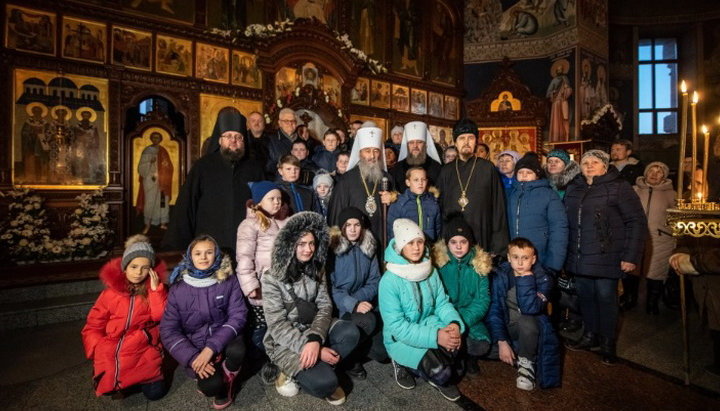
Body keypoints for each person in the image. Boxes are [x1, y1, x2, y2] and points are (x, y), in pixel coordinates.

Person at [262, 212, 360, 405]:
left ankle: (318, 363)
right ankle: (287, 370)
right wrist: (307, 346)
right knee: (327, 384)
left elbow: (325, 306)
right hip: (285, 340)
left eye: (312, 243)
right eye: (302, 244)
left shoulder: (316, 268)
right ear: (290, 245)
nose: (308, 249)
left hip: (314, 328)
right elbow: (277, 325)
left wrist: (315, 340)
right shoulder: (271, 278)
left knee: (350, 332)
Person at [564, 150, 647, 364]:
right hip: (580, 255)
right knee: (586, 298)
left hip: (607, 254)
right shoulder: (574, 188)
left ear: (605, 166)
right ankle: (590, 335)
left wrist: (631, 256)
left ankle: (608, 343)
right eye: (585, 162)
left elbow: (636, 222)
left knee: (606, 298)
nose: (589, 165)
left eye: (595, 162)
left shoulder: (619, 187)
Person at [379, 219, 465, 402]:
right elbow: (398, 326)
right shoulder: (389, 280)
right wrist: (436, 337)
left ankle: (430, 369)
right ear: (401, 247)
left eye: (419, 242)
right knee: (442, 372)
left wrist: (453, 324)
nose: (417, 248)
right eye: (410, 243)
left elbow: (442, 303)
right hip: (400, 337)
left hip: (428, 324)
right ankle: (401, 362)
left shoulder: (430, 270)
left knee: (458, 361)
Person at [161, 235, 247, 409]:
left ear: (216, 255)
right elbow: (168, 330)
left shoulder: (227, 280)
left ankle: (229, 376)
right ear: (189, 256)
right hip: (196, 348)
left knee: (238, 350)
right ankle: (217, 380)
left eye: (209, 252)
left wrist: (212, 347)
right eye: (198, 253)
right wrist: (192, 357)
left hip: (222, 340)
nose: (203, 257)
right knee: (211, 386)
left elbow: (238, 315)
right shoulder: (178, 289)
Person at [163, 108, 263, 253]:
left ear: (244, 141)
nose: (233, 141)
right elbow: (186, 205)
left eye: (238, 137)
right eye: (228, 136)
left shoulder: (255, 168)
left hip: (246, 245)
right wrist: (176, 244)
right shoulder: (203, 166)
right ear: (220, 140)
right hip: (209, 244)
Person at [82, 235, 168, 400]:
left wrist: (157, 291)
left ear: (151, 270)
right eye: (134, 266)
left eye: (145, 268)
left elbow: (160, 316)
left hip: (143, 347)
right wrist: (97, 348)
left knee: (156, 394)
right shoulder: (110, 294)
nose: (138, 272)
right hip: (114, 348)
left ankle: (134, 382)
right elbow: (94, 324)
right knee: (107, 388)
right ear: (125, 267)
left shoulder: (153, 290)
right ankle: (122, 381)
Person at [487, 238, 561, 391]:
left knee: (527, 321)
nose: (520, 263)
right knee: (480, 347)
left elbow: (530, 308)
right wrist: (502, 341)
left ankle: (526, 365)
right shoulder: (501, 275)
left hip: (529, 330)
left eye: (525, 258)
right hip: (509, 328)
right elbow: (495, 310)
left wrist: (525, 278)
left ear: (533, 259)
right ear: (508, 257)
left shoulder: (543, 278)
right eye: (515, 257)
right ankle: (517, 352)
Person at [235, 181, 290, 381]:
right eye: (271, 199)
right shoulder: (249, 224)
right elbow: (244, 258)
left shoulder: (284, 221)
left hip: (282, 287)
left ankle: (277, 358)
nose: (276, 202)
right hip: (262, 287)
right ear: (259, 202)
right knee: (261, 326)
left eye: (279, 199)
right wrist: (250, 285)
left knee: (279, 324)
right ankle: (261, 360)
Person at [437, 118, 509, 258]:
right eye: (462, 138)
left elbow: (498, 207)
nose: (466, 142)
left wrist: (498, 245)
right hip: (453, 238)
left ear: (476, 141)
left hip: (481, 233)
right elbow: (440, 207)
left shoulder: (487, 168)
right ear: (455, 142)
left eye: (471, 138)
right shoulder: (446, 171)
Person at [329, 207, 387, 379]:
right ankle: (346, 360)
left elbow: (375, 280)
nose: (353, 229)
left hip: (363, 302)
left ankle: (357, 349)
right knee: (368, 321)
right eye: (348, 225)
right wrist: (352, 304)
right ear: (342, 227)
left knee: (382, 353)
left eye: (356, 225)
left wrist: (359, 300)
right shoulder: (332, 251)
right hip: (339, 309)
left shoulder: (368, 247)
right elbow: (329, 288)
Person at [432, 215, 492, 376]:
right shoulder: (439, 264)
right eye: (453, 242)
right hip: (445, 317)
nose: (458, 247)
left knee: (482, 345)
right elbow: (436, 298)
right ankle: (453, 355)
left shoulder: (480, 265)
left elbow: (482, 301)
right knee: (443, 340)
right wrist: (452, 323)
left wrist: (461, 322)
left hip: (468, 318)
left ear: (470, 243)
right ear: (447, 243)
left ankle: (467, 356)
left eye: (463, 242)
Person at [329, 126, 395, 247]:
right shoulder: (346, 180)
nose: (372, 155)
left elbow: (397, 212)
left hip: (381, 236)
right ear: (360, 153)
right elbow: (337, 214)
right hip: (354, 241)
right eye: (367, 151)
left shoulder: (387, 178)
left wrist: (394, 199)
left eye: (376, 151)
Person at [506, 153, 568, 274]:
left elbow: (559, 228)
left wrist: (554, 263)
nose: (524, 175)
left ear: (537, 175)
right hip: (515, 258)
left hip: (541, 258)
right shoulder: (511, 194)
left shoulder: (548, 195)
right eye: (520, 172)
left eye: (528, 172)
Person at [670, 246, 720, 376]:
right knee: (714, 323)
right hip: (705, 282)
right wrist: (680, 255)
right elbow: (685, 236)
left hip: (708, 270)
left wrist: (694, 262)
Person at [633, 162, 676, 315]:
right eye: (651, 170)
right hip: (635, 236)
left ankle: (652, 303)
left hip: (660, 237)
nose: (654, 174)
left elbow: (676, 218)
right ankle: (630, 300)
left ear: (664, 176)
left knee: (656, 272)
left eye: (659, 172)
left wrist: (672, 233)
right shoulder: (634, 190)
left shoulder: (671, 194)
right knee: (633, 268)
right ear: (646, 172)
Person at [610, 140, 645, 310]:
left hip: (627, 215)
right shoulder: (607, 169)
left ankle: (630, 295)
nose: (615, 151)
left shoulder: (637, 170)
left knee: (628, 257)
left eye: (619, 149)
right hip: (611, 218)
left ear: (628, 152)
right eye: (613, 149)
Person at [387, 167, 441, 242]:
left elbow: (437, 230)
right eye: (416, 180)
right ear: (408, 182)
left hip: (428, 248)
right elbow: (391, 232)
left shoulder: (433, 203)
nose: (420, 183)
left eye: (423, 179)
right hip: (407, 250)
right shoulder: (399, 204)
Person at [389, 121, 443, 193]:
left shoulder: (436, 167)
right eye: (411, 143)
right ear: (407, 145)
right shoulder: (397, 168)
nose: (415, 146)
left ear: (425, 145)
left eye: (419, 142)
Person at [137, 132, 173, 234]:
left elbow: (169, 166)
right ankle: (147, 224)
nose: (156, 139)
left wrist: (163, 172)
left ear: (160, 139)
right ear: (151, 139)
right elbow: (141, 168)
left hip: (162, 181)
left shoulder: (163, 151)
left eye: (158, 137)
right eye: (154, 137)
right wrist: (150, 162)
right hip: (149, 179)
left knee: (162, 202)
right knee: (150, 201)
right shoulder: (147, 150)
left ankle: (163, 222)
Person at [266, 108, 297, 174]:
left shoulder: (302, 140)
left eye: (293, 121)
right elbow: (267, 166)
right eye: (286, 121)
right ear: (280, 123)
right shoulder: (270, 140)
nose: (290, 123)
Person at [247, 111, 271, 176]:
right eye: (253, 121)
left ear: (264, 125)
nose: (256, 123)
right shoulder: (242, 140)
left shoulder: (272, 141)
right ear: (248, 124)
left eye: (260, 121)